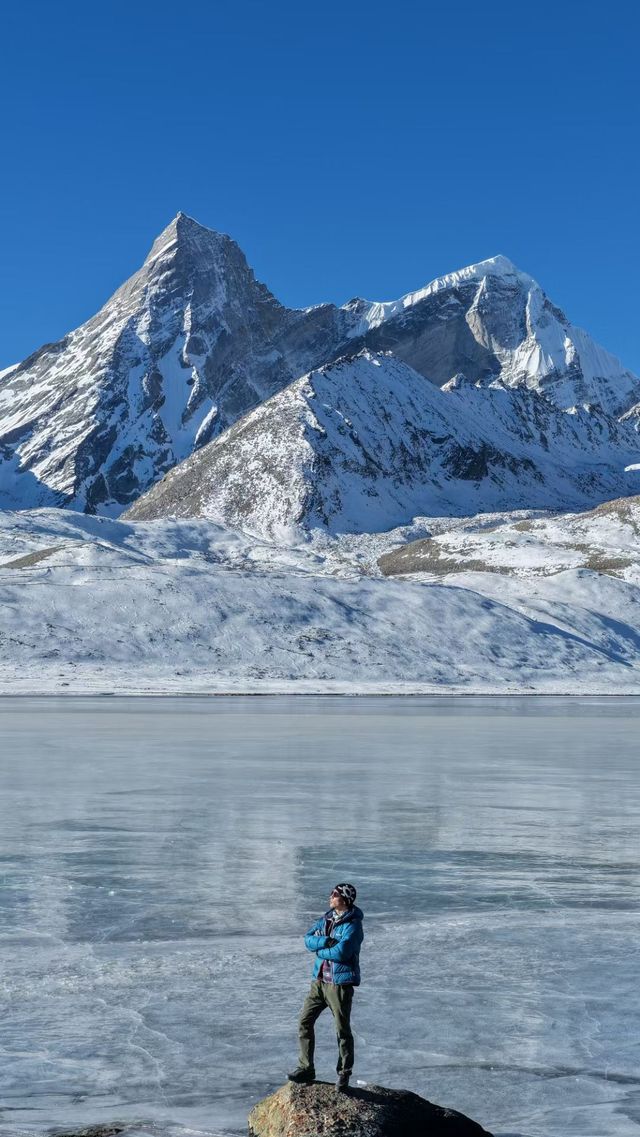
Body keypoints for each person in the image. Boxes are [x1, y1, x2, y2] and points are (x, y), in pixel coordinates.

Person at [288, 882, 364, 1093]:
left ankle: (344, 1072)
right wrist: (326, 942)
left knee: (341, 1029)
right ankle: (306, 1068)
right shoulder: (327, 918)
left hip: (339, 985)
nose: (330, 897)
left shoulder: (353, 925)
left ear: (345, 900)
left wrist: (321, 950)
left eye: (335, 895)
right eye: (332, 893)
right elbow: (308, 939)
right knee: (304, 1021)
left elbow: (342, 953)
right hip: (319, 982)